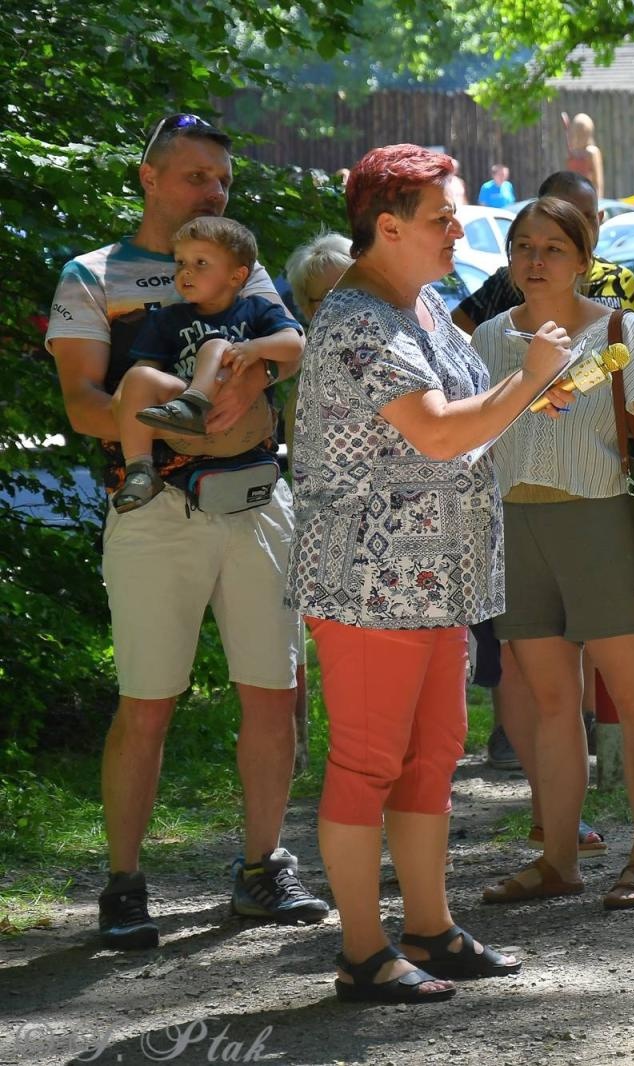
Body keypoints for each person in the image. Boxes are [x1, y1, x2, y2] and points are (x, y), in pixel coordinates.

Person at [289, 144, 572, 1003]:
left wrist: (528, 391)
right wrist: (528, 380)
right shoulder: (356, 322)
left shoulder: (423, 305)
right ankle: (362, 954)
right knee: (368, 763)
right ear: (388, 227)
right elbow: (442, 432)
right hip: (369, 584)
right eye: (444, 217)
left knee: (431, 756)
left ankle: (428, 929)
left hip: (434, 580)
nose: (459, 230)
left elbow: (466, 414)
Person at [45, 112, 326, 950]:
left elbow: (287, 350)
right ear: (150, 177)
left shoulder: (244, 265)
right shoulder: (91, 274)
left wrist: (246, 388)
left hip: (256, 502)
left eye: (223, 181)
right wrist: (182, 428)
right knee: (147, 702)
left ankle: (264, 867)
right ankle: (124, 884)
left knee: (271, 692)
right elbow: (82, 404)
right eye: (197, 176)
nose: (214, 191)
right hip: (153, 510)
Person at [473, 196, 634, 911]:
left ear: (584, 259)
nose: (535, 261)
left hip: (601, 525)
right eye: (523, 247)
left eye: (553, 248)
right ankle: (558, 860)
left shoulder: (622, 333)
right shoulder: (490, 338)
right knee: (552, 704)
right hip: (516, 527)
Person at [110, 217, 304, 513]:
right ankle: (140, 469)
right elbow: (144, 372)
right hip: (184, 431)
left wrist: (255, 348)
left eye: (200, 263)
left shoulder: (255, 309)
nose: (185, 271)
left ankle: (194, 403)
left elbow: (295, 344)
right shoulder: (167, 318)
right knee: (138, 376)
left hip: (241, 417)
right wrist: (128, 396)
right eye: (180, 263)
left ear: (237, 276)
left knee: (215, 345)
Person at [283, 231, 355, 773]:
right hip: (330, 527)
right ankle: (323, 756)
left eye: (350, 289)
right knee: (340, 660)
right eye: (325, 298)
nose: (339, 306)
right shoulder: (303, 367)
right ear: (306, 308)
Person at [451, 170, 634, 334]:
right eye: (563, 216)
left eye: (586, 217)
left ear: (599, 218)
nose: (577, 227)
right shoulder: (508, 283)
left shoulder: (625, 283)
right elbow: (455, 332)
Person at [563, 112, 604, 199]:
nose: (577, 136)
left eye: (581, 132)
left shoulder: (591, 152)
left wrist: (598, 200)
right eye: (576, 132)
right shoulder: (571, 155)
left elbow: (598, 182)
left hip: (589, 197)